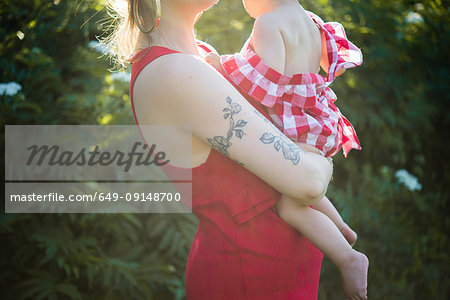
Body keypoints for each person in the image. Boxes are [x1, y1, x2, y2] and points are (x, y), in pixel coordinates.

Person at [105, 0, 364, 299]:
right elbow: (309, 183)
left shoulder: (199, 57)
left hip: (276, 277)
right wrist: (321, 148)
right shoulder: (175, 72)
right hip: (247, 280)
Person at [205, 0, 369, 298]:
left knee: (289, 206)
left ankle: (349, 258)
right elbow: (321, 68)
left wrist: (220, 68)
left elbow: (263, 86)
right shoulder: (309, 20)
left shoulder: (267, 24)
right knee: (300, 191)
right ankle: (341, 228)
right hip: (316, 120)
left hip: (296, 126)